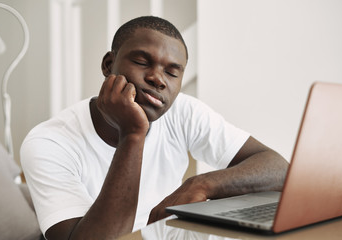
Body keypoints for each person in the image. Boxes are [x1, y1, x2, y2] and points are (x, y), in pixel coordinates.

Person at [21, 16, 288, 240]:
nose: (158, 79)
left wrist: (200, 184)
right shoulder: (48, 142)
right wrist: (133, 134)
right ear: (108, 64)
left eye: (172, 72)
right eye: (142, 62)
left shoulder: (184, 111)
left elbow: (278, 169)